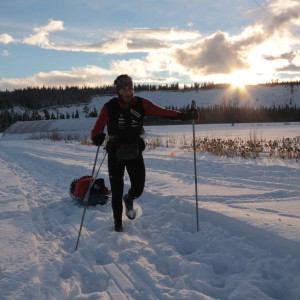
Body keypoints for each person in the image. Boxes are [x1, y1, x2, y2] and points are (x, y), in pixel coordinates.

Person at [91, 74, 198, 232]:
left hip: (134, 151)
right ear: (118, 91)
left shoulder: (141, 104)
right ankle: (117, 224)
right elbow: (96, 129)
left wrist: (184, 116)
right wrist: (97, 137)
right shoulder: (110, 106)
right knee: (117, 188)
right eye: (124, 89)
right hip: (115, 152)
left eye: (130, 89)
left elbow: (163, 112)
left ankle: (129, 198)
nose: (127, 93)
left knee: (139, 187)